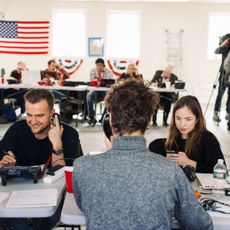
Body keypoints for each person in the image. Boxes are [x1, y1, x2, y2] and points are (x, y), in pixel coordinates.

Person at [73, 80, 213, 230]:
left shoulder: (83, 167)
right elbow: (201, 225)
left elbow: (89, 208)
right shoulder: (170, 171)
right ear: (150, 121)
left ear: (111, 119)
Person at [0, 88, 83, 230]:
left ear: (52, 113)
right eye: (29, 115)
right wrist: (4, 163)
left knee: (41, 219)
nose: (33, 121)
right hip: (19, 196)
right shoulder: (16, 129)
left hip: (54, 198)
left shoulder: (69, 134)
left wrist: (57, 143)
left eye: (39, 116)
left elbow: (65, 177)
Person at [149, 95, 225, 173]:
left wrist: (189, 163)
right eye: (178, 118)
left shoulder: (208, 140)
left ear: (197, 119)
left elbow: (221, 171)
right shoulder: (172, 140)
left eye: (188, 119)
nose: (182, 124)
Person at [86, 58, 113, 126]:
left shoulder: (108, 71)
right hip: (95, 91)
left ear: (103, 65)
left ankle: (103, 118)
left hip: (104, 91)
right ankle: (91, 117)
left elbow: (110, 81)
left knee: (110, 98)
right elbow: (92, 80)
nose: (98, 67)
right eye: (97, 65)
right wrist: (99, 76)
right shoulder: (93, 70)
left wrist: (105, 72)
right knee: (89, 96)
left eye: (100, 65)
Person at [213, 34, 230, 125]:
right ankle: (216, 112)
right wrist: (225, 43)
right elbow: (216, 51)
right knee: (220, 94)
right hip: (224, 74)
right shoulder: (226, 43)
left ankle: (228, 113)